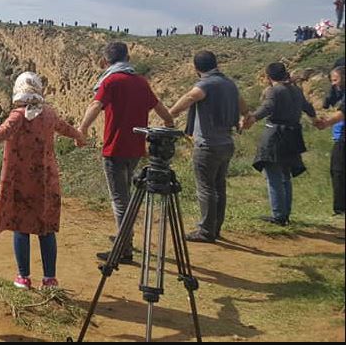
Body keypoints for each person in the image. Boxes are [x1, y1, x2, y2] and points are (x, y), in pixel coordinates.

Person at [0, 73, 86, 291]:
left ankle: (23, 277)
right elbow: (66, 129)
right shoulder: (49, 114)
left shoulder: (17, 116)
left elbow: (2, 132)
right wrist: (79, 137)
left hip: (21, 182)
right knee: (46, 229)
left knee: (20, 228)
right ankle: (49, 278)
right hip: (46, 182)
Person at [79, 42, 175, 264]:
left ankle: (124, 248)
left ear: (106, 61)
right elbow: (158, 106)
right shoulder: (141, 82)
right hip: (136, 148)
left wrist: (82, 129)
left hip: (115, 147)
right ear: (128, 58)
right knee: (126, 194)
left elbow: (95, 106)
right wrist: (169, 122)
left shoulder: (111, 80)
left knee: (119, 199)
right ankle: (126, 236)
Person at [169, 52, 245, 243]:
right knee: (219, 187)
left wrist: (169, 115)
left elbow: (190, 97)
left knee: (206, 188)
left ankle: (205, 231)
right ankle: (215, 228)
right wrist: (246, 117)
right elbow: (242, 105)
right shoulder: (229, 84)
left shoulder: (206, 84)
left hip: (208, 145)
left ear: (196, 68)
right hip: (227, 143)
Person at [243, 63, 321, 226]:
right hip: (292, 135)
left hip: (275, 135)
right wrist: (315, 121)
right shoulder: (296, 90)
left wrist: (252, 118)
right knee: (285, 176)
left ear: (269, 77)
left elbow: (268, 107)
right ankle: (285, 214)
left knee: (274, 176)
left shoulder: (275, 90)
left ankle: (278, 215)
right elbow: (308, 108)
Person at [318, 66, 345, 215]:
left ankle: (340, 209)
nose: (333, 84)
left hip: (343, 138)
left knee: (338, 171)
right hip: (340, 136)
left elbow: (342, 113)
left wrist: (326, 123)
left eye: (336, 79)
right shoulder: (339, 94)